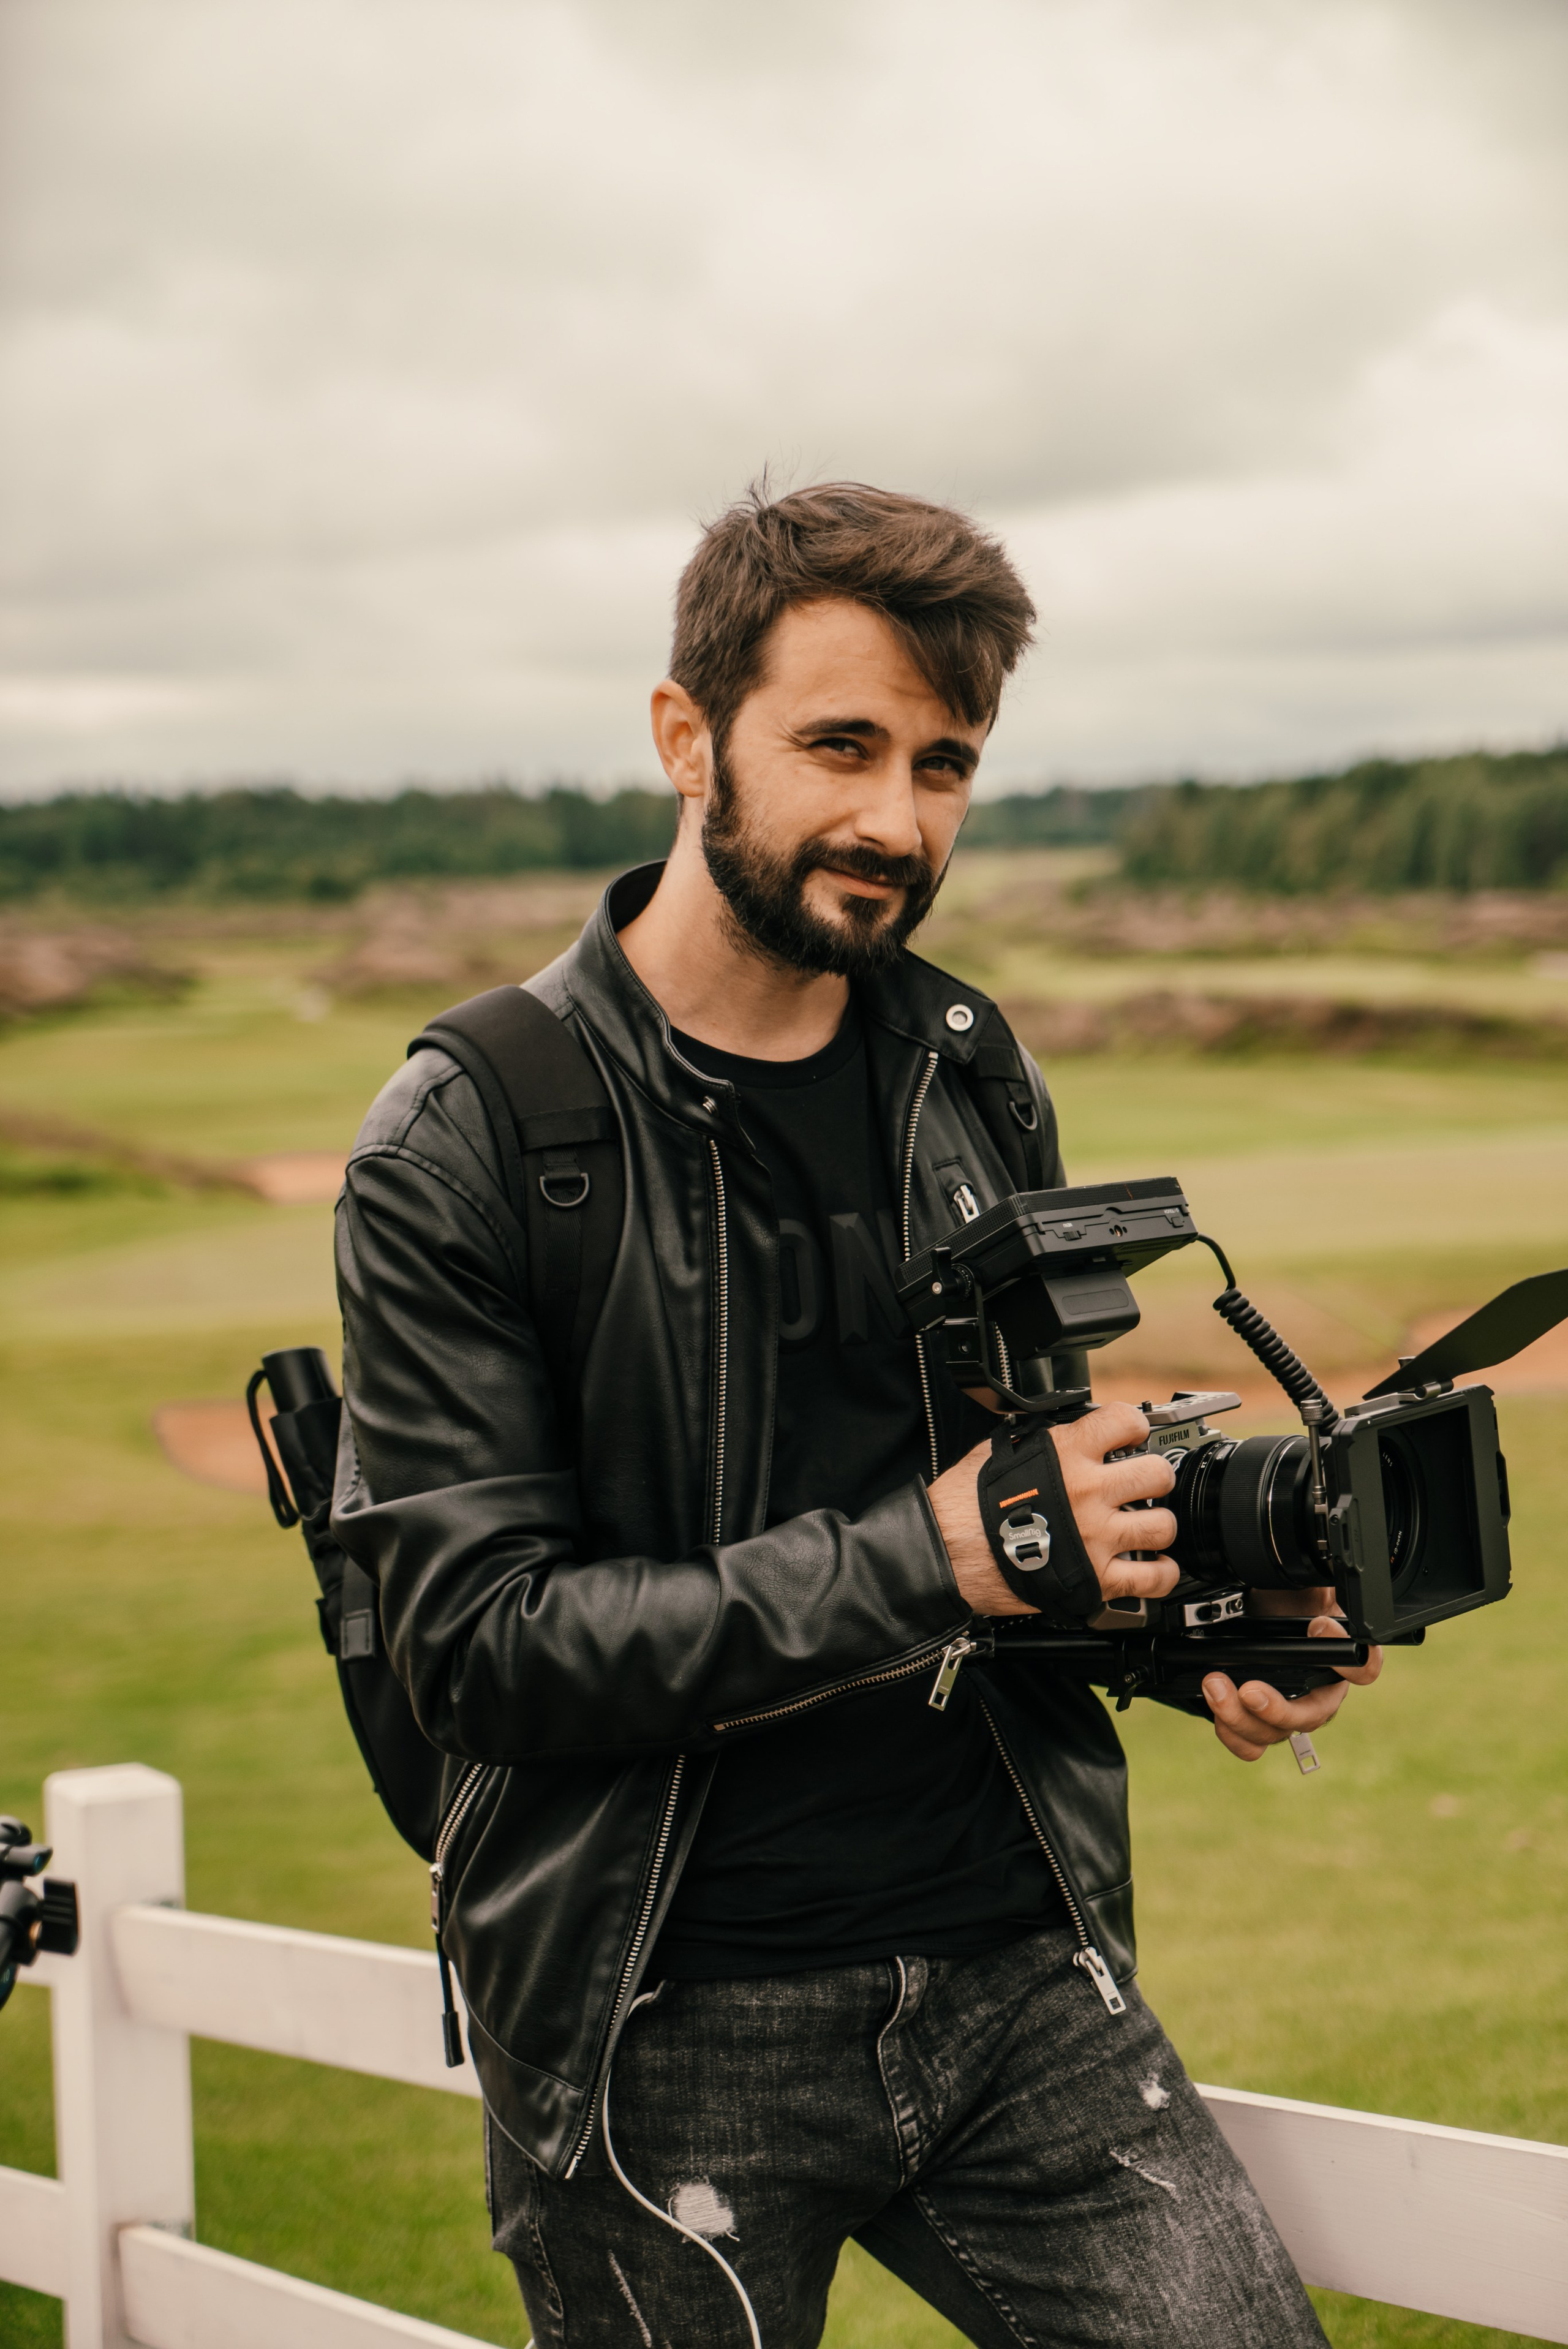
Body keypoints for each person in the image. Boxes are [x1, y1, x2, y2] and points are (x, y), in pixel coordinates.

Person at [333, 481, 1380, 2348]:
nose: (899, 821)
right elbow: (480, 1649)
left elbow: (1021, 1520)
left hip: (1015, 1962)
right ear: (685, 733)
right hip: (659, 2020)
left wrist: (1188, 1628)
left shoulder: (971, 1077)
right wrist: (935, 1551)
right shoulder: (472, 1133)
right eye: (841, 743)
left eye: (947, 763)